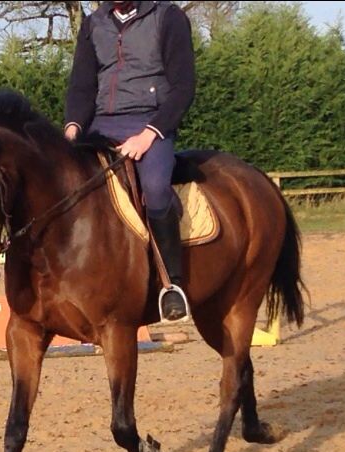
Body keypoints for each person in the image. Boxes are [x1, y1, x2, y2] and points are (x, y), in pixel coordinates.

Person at [64, 0, 196, 322]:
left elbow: (183, 87)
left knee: (155, 188)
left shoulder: (168, 17)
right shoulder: (93, 24)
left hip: (150, 122)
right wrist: (72, 129)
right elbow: (82, 86)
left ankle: (171, 284)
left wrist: (148, 135)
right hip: (100, 124)